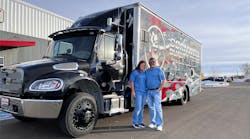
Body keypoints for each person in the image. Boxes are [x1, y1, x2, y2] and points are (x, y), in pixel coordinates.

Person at [146, 57, 166, 131]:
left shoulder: (158, 70)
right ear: (149, 63)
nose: (152, 62)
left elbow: (164, 80)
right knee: (151, 108)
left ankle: (159, 124)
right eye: (151, 61)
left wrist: (159, 89)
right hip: (149, 91)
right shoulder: (147, 71)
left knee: (158, 108)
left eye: (153, 61)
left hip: (156, 92)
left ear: (155, 62)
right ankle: (153, 123)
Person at [129, 60, 147, 128]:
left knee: (142, 108)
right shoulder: (135, 72)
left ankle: (140, 122)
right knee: (138, 107)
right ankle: (135, 122)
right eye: (142, 65)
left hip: (144, 92)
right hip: (137, 92)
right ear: (139, 65)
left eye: (144, 65)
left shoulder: (145, 73)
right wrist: (133, 91)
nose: (143, 66)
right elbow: (132, 82)